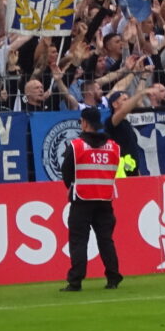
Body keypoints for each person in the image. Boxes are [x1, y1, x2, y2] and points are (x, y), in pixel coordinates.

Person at [60, 106, 123, 292]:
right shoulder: (113, 147)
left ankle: (76, 281)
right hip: (105, 199)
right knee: (106, 240)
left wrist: (73, 186)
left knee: (79, 241)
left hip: (81, 199)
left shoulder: (76, 145)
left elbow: (66, 173)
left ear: (84, 123)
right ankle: (113, 277)